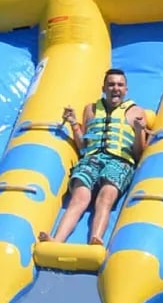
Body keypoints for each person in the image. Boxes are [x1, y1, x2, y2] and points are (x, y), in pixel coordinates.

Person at [38, 68, 148, 246]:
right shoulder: (90, 109)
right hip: (92, 159)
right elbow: (83, 146)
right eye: (111, 84)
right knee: (80, 196)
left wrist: (138, 130)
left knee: (107, 194)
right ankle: (56, 240)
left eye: (120, 85)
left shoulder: (136, 112)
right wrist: (74, 124)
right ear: (103, 88)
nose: (115, 88)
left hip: (120, 161)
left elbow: (138, 153)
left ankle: (96, 238)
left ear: (126, 89)